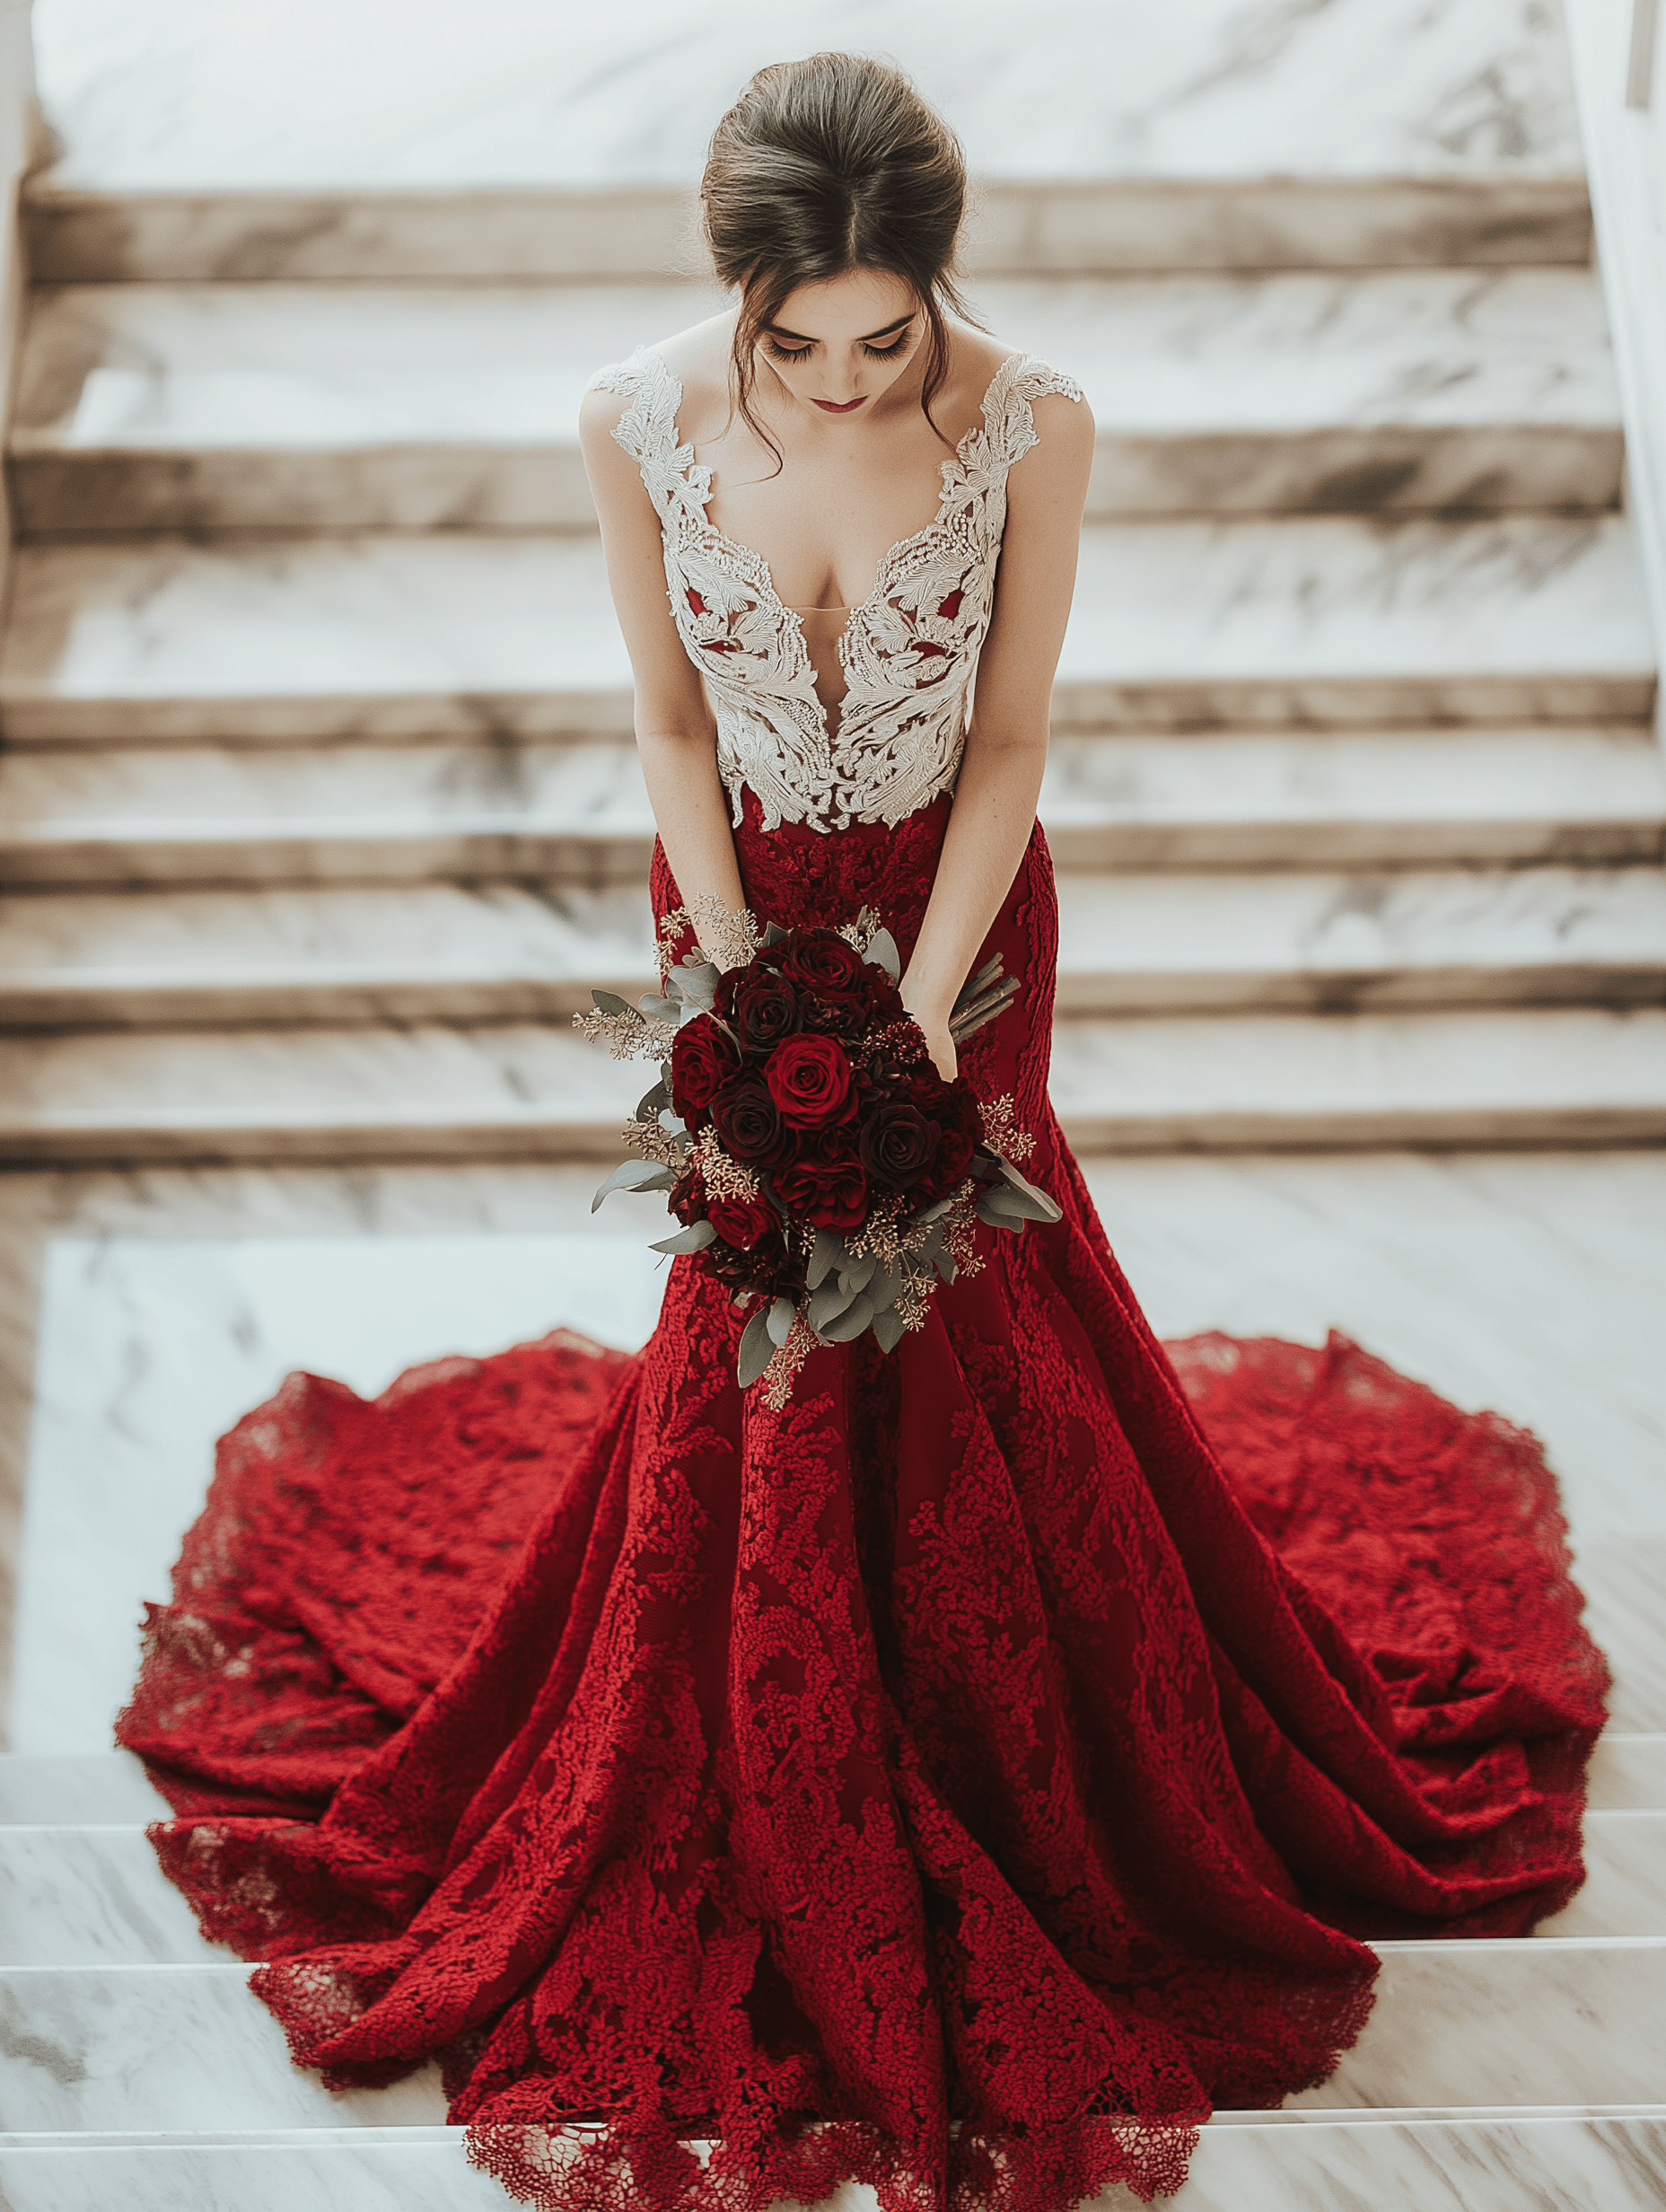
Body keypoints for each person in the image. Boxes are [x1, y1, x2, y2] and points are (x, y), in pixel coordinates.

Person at [117, 50, 1609, 2212]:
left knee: (965, 1306)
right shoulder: (628, 419)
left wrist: (912, 1024)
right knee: (762, 1326)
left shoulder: (1035, 424)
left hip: (956, 921)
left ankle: (1015, 1752)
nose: (835, 377)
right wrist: (736, 982)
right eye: (791, 340)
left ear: (938, 290)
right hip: (734, 912)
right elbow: (660, 713)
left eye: (880, 335)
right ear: (733, 303)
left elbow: (1009, 737)